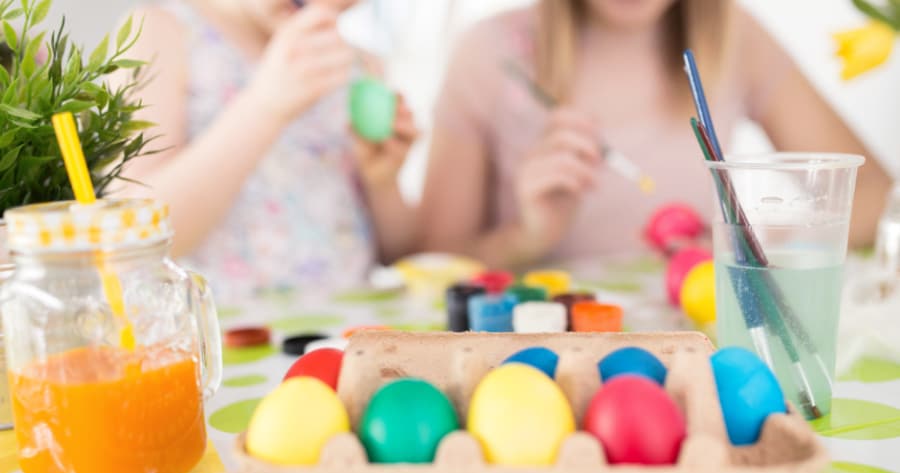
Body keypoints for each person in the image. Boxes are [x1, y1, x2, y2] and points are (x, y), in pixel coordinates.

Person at [420, 0, 892, 269]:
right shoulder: (491, 55)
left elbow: (877, 198)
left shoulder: (734, 39)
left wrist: (746, 242)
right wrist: (525, 237)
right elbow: (430, 266)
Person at [114, 0, 418, 299]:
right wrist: (264, 107)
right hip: (221, 337)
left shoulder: (356, 64)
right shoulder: (160, 34)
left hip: (343, 331)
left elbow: (398, 253)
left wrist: (382, 181)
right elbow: (135, 236)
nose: (327, 7)